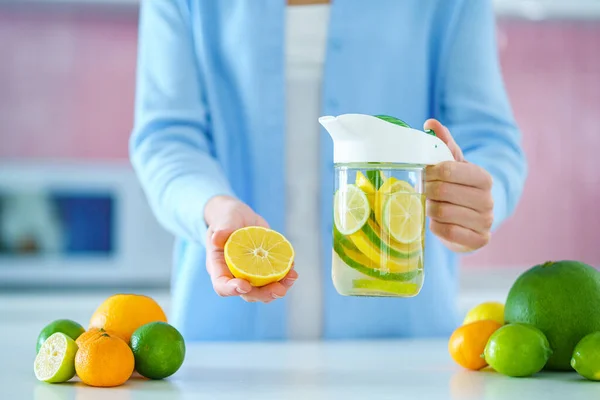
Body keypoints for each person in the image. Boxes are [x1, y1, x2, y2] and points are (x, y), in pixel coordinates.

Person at [130, 0, 527, 341]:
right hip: (228, 343)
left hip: (402, 342)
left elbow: (489, 138)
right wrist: (214, 210)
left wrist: (474, 200)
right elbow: (167, 137)